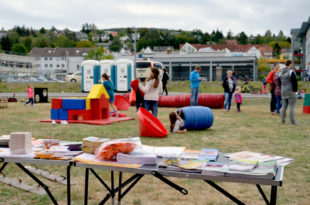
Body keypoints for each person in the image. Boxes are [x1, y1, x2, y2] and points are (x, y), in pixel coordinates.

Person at [279, 60, 298, 125]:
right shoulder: (291, 72)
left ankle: (283, 121)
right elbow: (295, 82)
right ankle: (292, 122)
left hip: (283, 91)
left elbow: (279, 82)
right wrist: (295, 91)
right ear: (290, 64)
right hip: (290, 91)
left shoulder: (281, 72)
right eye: (292, 63)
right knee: (291, 107)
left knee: (284, 107)